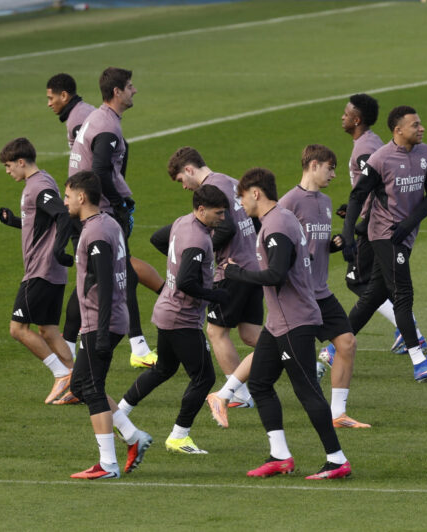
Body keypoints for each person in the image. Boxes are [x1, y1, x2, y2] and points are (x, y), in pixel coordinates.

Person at [225, 167, 351, 479]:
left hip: (294, 322)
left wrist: (234, 272)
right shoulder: (276, 219)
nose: (240, 204)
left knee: (307, 391)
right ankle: (280, 455)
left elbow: (276, 275)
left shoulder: (278, 225)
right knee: (260, 383)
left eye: (241, 197)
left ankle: (337, 459)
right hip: (278, 323)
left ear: (255, 193)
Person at [48, 72, 163, 361]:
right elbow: (99, 169)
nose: (134, 91)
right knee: (115, 276)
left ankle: (70, 350)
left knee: (94, 278)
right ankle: (132, 345)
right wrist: (118, 204)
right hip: (96, 213)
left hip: (87, 209)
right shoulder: (105, 124)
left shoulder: (97, 117)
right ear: (116, 91)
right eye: (129, 87)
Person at [117, 185, 230, 454]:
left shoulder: (183, 222)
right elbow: (186, 281)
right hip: (182, 318)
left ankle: (118, 413)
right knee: (204, 377)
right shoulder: (198, 240)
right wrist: (214, 295)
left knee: (163, 369)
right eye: (219, 212)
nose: (223, 218)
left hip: (165, 311)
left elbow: (158, 239)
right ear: (202, 210)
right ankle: (179, 436)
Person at [340, 105, 427, 382]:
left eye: (420, 123)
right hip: (383, 234)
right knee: (403, 292)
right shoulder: (380, 159)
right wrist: (348, 235)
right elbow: (356, 197)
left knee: (374, 294)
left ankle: (332, 348)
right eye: (415, 125)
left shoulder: (426, 153)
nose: (421, 128)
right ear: (398, 130)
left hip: (404, 234)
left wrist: (409, 224)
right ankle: (419, 362)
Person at [158, 147, 260, 427]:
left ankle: (237, 393)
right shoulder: (229, 180)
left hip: (233, 268)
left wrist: (198, 253)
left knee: (216, 331)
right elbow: (253, 217)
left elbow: (226, 230)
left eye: (181, 180)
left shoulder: (212, 190)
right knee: (252, 335)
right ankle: (300, 360)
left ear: (189, 170)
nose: (184, 187)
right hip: (253, 263)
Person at [63, 171, 152, 479]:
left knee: (91, 387)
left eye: (67, 195)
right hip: (108, 318)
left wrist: (100, 333)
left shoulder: (97, 233)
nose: (65, 201)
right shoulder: (107, 224)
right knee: (80, 386)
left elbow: (106, 284)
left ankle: (108, 464)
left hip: (102, 320)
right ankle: (132, 436)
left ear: (81, 197)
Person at [279, 145, 370, 429]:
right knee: (271, 355)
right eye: (330, 168)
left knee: (346, 343)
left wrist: (331, 245)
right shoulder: (288, 203)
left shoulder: (327, 202)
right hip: (298, 294)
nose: (333, 174)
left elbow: (312, 245)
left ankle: (338, 413)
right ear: (314, 165)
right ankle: (226, 392)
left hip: (321, 290)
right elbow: (274, 245)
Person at [331, 93, 427, 357]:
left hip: (378, 226)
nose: (342, 116)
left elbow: (374, 190)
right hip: (377, 223)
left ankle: (409, 332)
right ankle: (408, 334)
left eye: (346, 113)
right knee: (375, 285)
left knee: (362, 282)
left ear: (357, 119)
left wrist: (359, 225)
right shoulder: (369, 143)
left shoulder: (365, 149)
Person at [0, 137, 76, 405]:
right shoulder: (42, 181)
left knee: (18, 328)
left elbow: (62, 215)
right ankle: (78, 381)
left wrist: (58, 251)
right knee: (48, 330)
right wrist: (15, 222)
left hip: (40, 270)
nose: (8, 171)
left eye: (9, 166)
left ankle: (61, 375)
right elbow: (41, 223)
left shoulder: (38, 186)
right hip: (49, 271)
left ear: (21, 162)